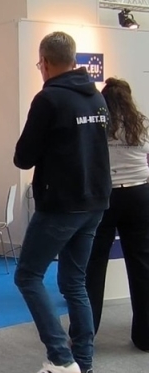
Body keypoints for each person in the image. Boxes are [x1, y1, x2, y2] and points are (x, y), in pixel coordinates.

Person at [13, 31, 111, 373]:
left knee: (27, 275)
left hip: (61, 205)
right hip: (95, 202)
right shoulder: (96, 97)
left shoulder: (48, 99)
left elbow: (23, 157)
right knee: (74, 283)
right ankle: (84, 367)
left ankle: (60, 358)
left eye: (40, 64)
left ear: (46, 62)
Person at [85, 77, 149, 354]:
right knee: (142, 265)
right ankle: (145, 336)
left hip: (106, 196)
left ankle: (87, 334)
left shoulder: (98, 127)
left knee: (94, 264)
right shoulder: (142, 124)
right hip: (140, 194)